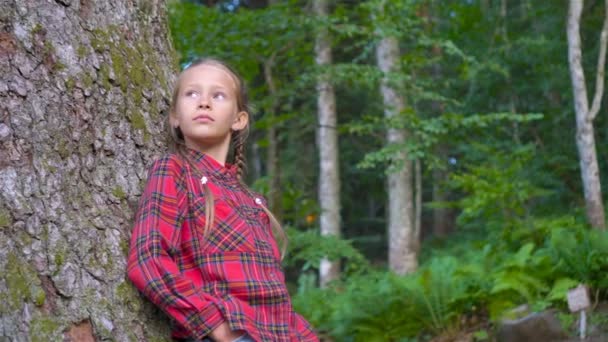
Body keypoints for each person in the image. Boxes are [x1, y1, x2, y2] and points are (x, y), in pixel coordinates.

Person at [126, 58, 319, 342]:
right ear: (175, 117)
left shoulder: (253, 202)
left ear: (238, 119)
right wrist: (214, 325)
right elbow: (148, 260)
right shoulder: (175, 171)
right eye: (192, 93)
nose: (203, 102)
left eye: (218, 95)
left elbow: (275, 299)